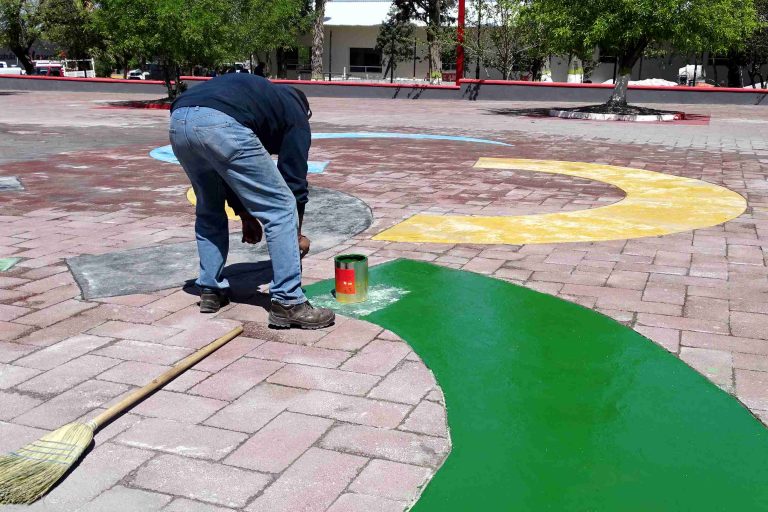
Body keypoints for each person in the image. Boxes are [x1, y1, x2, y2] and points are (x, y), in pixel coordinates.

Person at [169, 73, 335, 329]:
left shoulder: (261, 101)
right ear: (307, 110)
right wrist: (296, 234)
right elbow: (294, 180)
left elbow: (230, 170)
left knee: (209, 208)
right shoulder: (296, 114)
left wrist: (246, 216)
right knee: (281, 206)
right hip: (220, 123)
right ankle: (288, 302)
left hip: (180, 120)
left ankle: (210, 290)